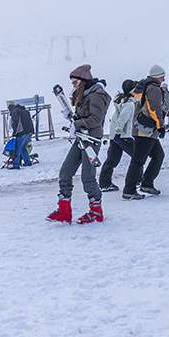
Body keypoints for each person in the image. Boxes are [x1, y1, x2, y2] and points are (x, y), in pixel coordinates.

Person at [47, 64, 111, 224]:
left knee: (88, 178)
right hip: (82, 138)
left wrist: (76, 124)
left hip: (91, 140)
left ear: (83, 81)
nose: (73, 86)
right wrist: (73, 118)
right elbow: (84, 116)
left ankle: (96, 212)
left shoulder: (97, 95)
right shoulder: (86, 93)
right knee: (65, 172)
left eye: (75, 82)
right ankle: (64, 211)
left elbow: (95, 120)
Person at [123, 65, 168, 199]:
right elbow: (154, 109)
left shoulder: (142, 87)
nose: (164, 78)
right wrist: (160, 126)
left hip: (141, 127)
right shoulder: (154, 88)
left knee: (158, 155)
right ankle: (129, 190)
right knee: (138, 161)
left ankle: (147, 183)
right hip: (146, 130)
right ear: (157, 76)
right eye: (162, 76)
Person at [99, 79, 137, 192]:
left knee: (111, 160)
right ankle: (138, 181)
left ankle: (104, 184)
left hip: (115, 135)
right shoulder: (129, 104)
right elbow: (122, 120)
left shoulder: (121, 101)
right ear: (132, 90)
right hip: (122, 136)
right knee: (138, 157)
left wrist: (115, 135)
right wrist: (119, 133)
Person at [8, 103, 35, 168]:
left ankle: (16, 165)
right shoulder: (25, 111)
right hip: (29, 132)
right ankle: (27, 162)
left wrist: (15, 133)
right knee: (23, 149)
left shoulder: (15, 112)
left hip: (21, 133)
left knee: (17, 149)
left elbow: (16, 124)